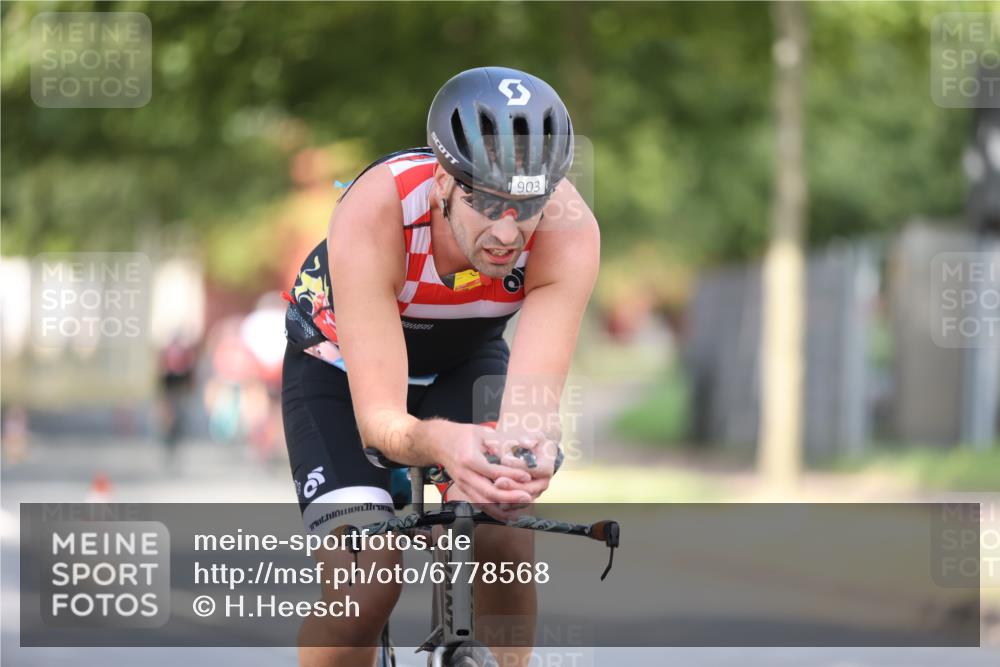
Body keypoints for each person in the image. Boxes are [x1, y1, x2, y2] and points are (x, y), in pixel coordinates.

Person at [281, 66, 600, 667]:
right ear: (442, 181)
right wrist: (441, 445)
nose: (508, 228)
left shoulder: (569, 234)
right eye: (485, 198)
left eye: (528, 202)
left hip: (463, 360)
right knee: (365, 588)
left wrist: (526, 458)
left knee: (504, 532)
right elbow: (381, 422)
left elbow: (530, 413)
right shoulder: (377, 209)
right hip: (338, 366)